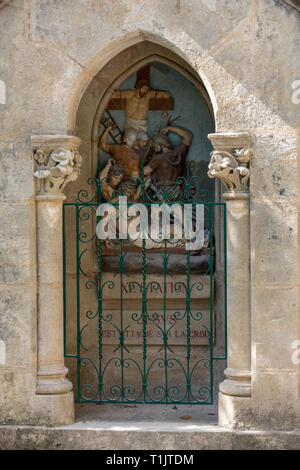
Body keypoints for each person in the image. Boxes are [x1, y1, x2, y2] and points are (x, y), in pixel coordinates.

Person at [111, 79, 171, 146]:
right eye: (144, 88)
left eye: (147, 90)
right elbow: (114, 95)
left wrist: (164, 110)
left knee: (145, 140)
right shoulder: (129, 94)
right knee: (132, 136)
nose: (145, 91)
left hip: (142, 125)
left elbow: (167, 94)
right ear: (139, 87)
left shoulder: (149, 95)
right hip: (130, 124)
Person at [143, 125, 193, 202]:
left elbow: (145, 172)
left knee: (158, 213)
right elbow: (188, 136)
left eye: (156, 147)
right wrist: (170, 128)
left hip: (162, 192)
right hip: (176, 191)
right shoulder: (179, 153)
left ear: (163, 145)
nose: (155, 150)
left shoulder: (159, 158)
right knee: (178, 212)